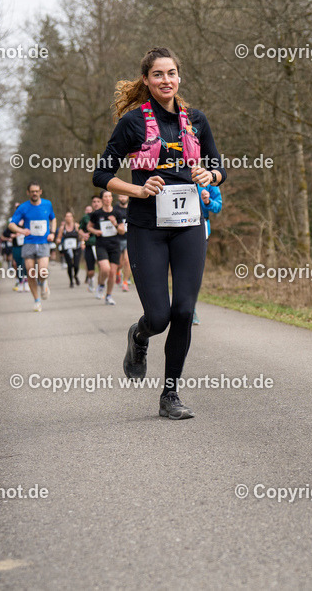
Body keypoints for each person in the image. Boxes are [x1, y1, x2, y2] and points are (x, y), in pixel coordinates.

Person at [93, 47, 226, 420]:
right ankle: (139, 336)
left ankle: (170, 395)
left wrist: (209, 175)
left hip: (188, 226)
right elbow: (101, 174)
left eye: (171, 73)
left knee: (184, 311)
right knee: (159, 316)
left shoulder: (196, 120)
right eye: (158, 75)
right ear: (147, 80)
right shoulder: (133, 123)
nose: (165, 80)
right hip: (146, 228)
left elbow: (218, 166)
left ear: (179, 77)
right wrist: (137, 189)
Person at [8, 182, 56, 312]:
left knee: (42, 270)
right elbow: (11, 225)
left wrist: (52, 233)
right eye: (32, 191)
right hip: (29, 243)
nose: (34, 193)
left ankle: (43, 282)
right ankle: (37, 301)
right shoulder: (23, 208)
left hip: (43, 243)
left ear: (40, 192)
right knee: (30, 273)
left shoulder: (47, 204)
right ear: (28, 193)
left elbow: (53, 218)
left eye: (37, 191)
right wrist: (22, 231)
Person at [192, 183, 222, 325]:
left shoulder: (208, 180)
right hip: (174, 226)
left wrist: (207, 201)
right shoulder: (175, 172)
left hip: (201, 226)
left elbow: (218, 206)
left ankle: (190, 308)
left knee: (194, 271)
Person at [90, 190, 123, 305]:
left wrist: (115, 223)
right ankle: (101, 285)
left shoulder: (117, 213)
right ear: (102, 199)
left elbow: (122, 231)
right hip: (101, 245)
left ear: (112, 199)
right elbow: (89, 227)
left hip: (114, 245)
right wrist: (96, 231)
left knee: (113, 272)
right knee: (105, 269)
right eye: (105, 197)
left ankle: (108, 296)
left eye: (109, 196)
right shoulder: (96, 214)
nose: (108, 198)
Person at [57, 211, 82, 288]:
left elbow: (81, 235)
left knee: (76, 265)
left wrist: (82, 242)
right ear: (65, 218)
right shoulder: (62, 228)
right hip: (67, 248)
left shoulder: (77, 226)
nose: (68, 218)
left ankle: (75, 275)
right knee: (69, 265)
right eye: (67, 216)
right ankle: (71, 281)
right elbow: (58, 238)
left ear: (72, 218)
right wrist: (58, 241)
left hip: (76, 247)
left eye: (70, 216)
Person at [79, 199, 99, 292]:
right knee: (90, 271)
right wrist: (83, 235)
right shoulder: (86, 217)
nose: (96, 204)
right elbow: (80, 229)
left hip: (101, 244)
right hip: (90, 244)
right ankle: (91, 279)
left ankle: (100, 287)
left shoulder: (104, 214)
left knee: (103, 267)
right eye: (94, 202)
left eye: (98, 202)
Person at [115, 194, 131, 291]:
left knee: (127, 261)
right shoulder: (115, 209)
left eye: (124, 196)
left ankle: (125, 282)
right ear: (118, 197)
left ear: (128, 197)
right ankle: (118, 272)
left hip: (128, 238)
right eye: (120, 196)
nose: (122, 198)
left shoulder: (131, 208)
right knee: (119, 263)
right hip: (117, 239)